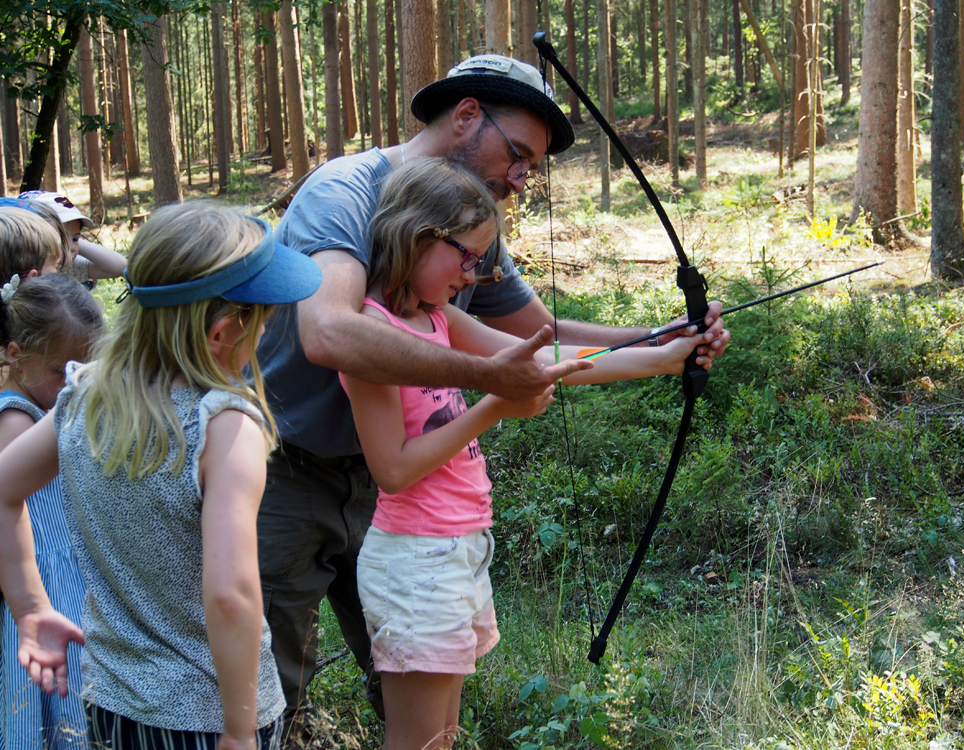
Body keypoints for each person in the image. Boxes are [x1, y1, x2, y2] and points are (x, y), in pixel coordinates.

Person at [256, 54, 731, 735]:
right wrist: (494, 389)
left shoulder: (461, 237)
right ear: (467, 116)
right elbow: (328, 333)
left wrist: (662, 342)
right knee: (263, 694)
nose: (521, 178)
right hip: (290, 470)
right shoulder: (349, 193)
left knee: (414, 707)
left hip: (398, 501)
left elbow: (538, 336)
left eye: (532, 167)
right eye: (518, 154)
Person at [340, 158, 721, 750]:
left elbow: (547, 361)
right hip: (414, 562)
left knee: (441, 739)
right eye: (466, 257)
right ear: (417, 234)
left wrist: (666, 349)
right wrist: (496, 403)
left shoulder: (438, 320)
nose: (471, 276)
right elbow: (393, 469)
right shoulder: (372, 334)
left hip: (459, 549)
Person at [0, 203, 322, 750]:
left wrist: (30, 607)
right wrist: (241, 732)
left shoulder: (84, 395)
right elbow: (230, 595)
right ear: (222, 332)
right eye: (263, 322)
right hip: (208, 715)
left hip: (114, 706)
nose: (265, 335)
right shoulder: (224, 426)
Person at [0, 273, 104, 750]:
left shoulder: (48, 407)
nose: (73, 385)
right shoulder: (17, 417)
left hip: (65, 565)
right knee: (56, 688)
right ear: (16, 354)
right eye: (62, 371)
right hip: (44, 576)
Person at [18, 192, 126, 284]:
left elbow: (120, 267)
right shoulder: (15, 275)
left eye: (75, 239)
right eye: (60, 237)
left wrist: (72, 243)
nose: (70, 247)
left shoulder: (68, 267)